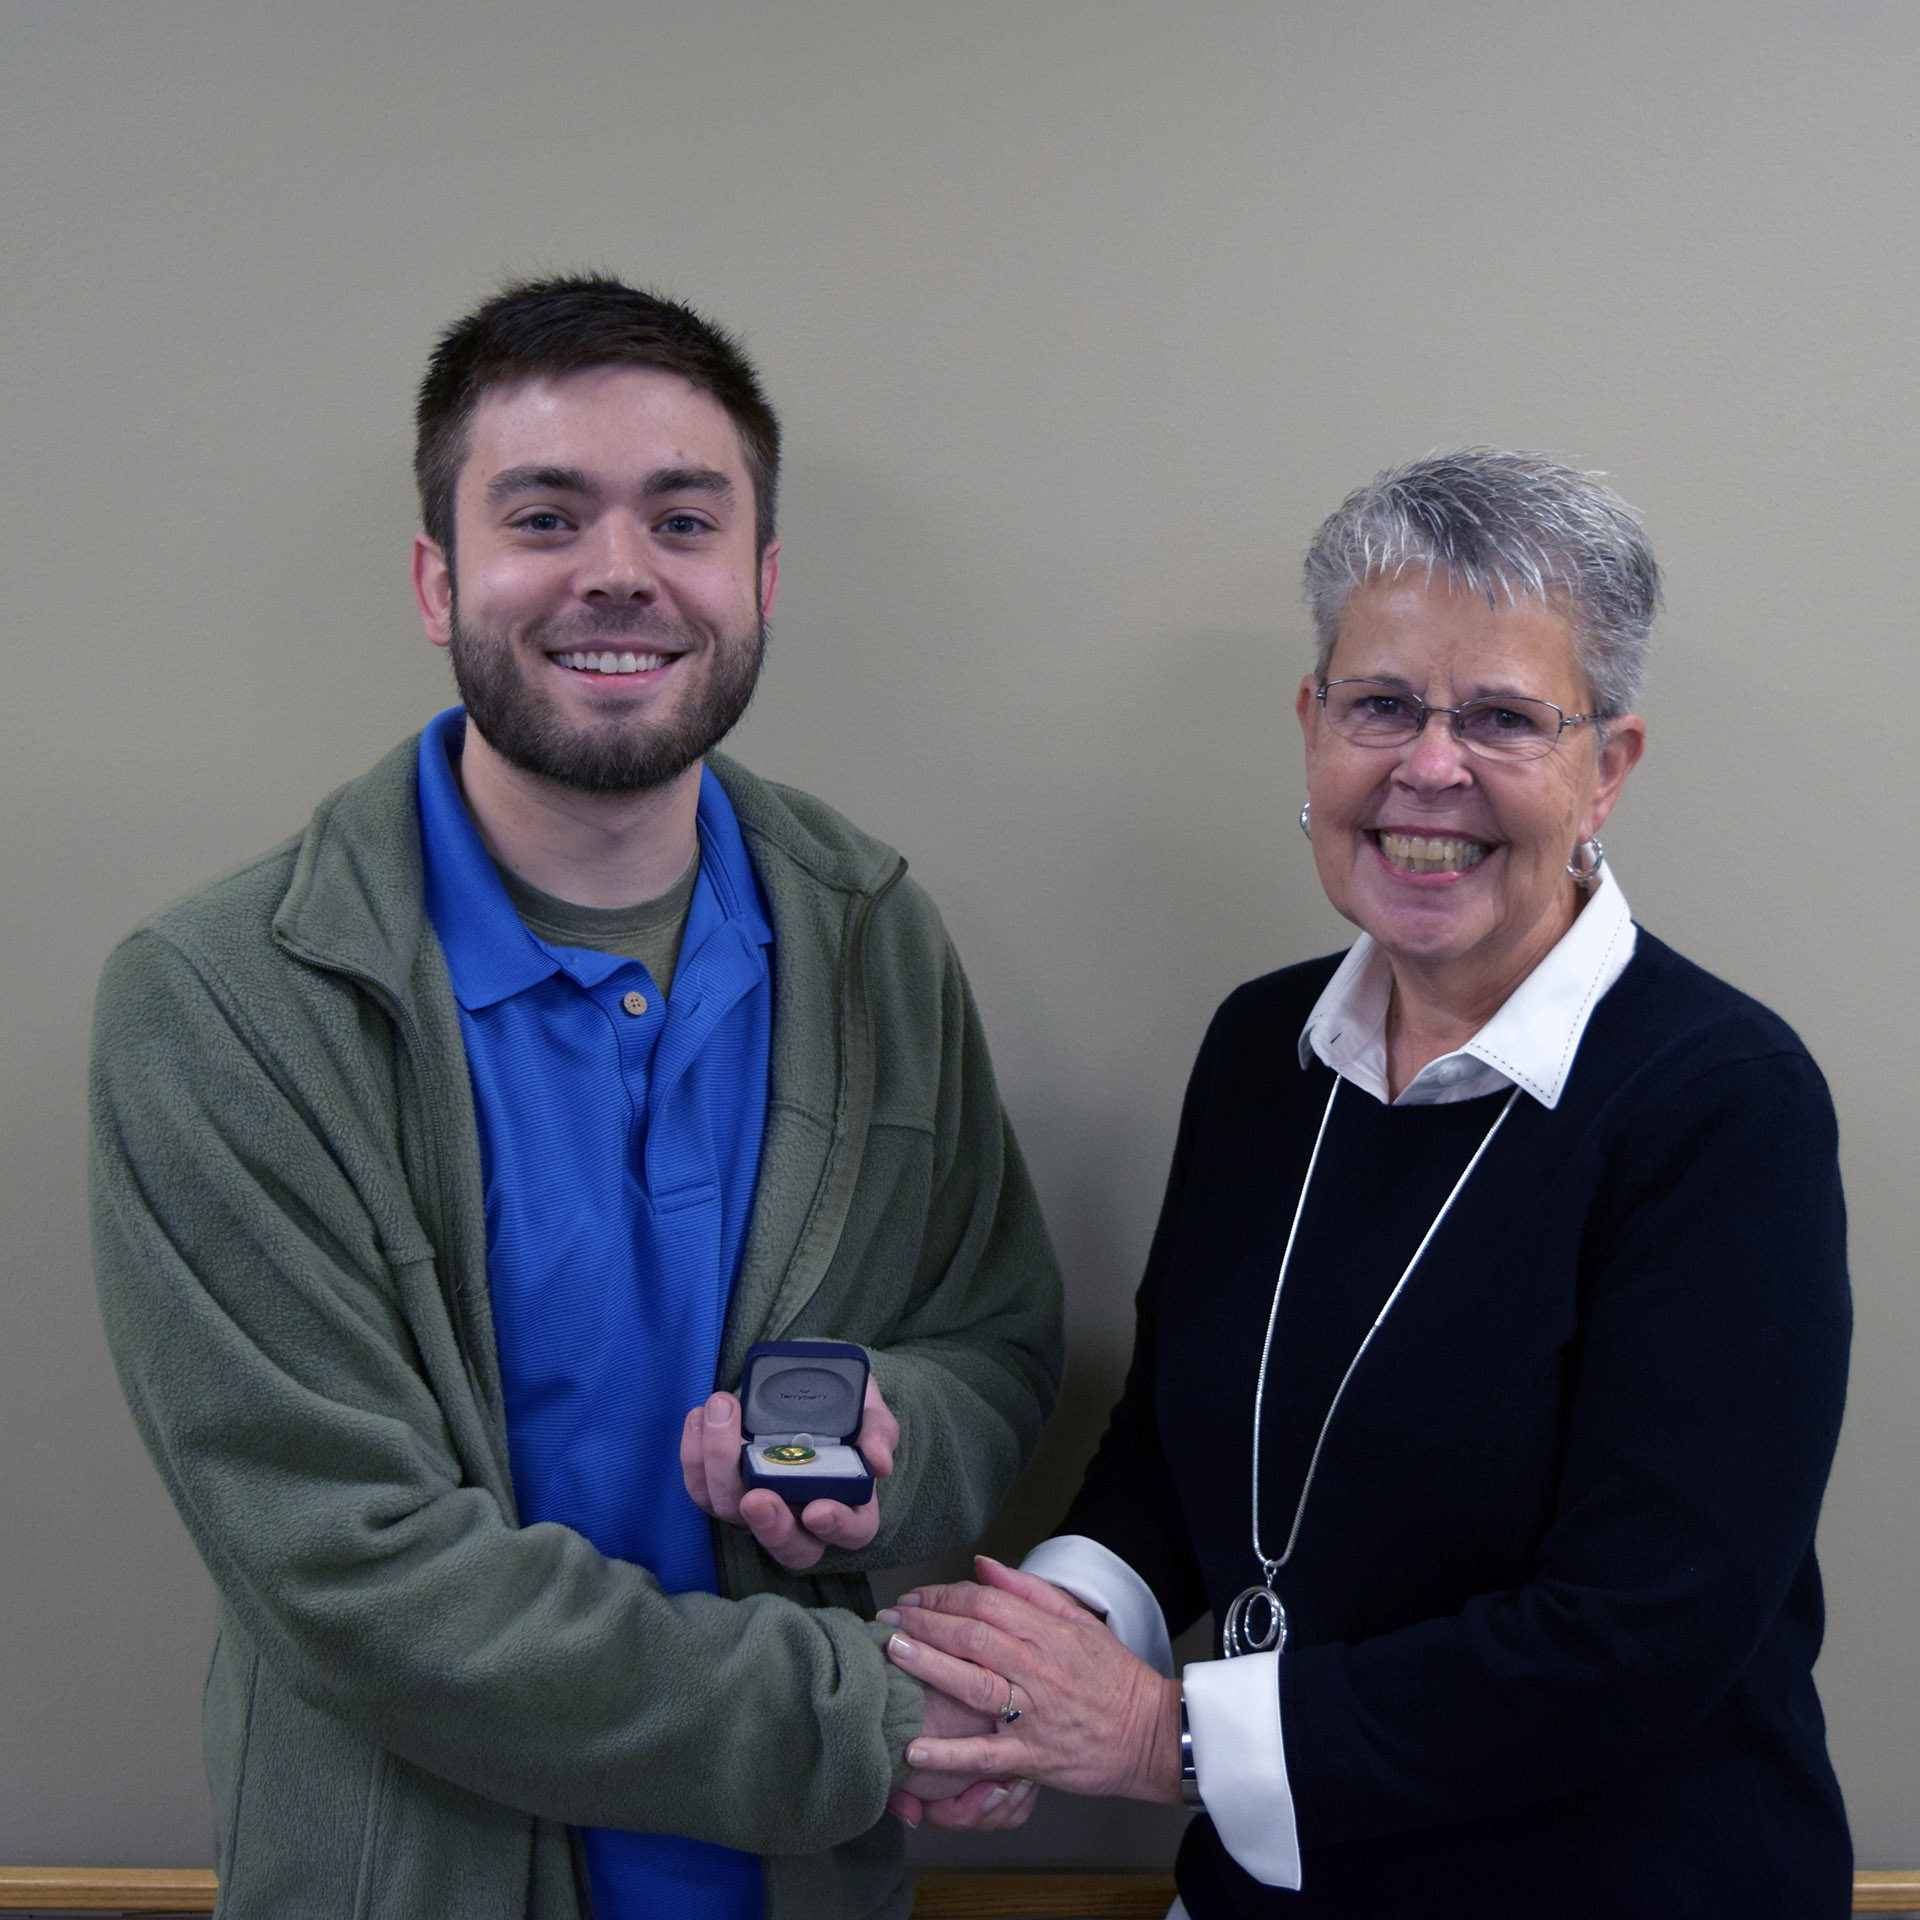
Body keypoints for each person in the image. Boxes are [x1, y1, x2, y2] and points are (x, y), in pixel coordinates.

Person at [88, 274, 1062, 1920]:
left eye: (684, 519)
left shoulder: (868, 932)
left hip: (805, 1888)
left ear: (757, 582)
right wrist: (860, 1716)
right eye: (545, 514)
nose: (620, 569)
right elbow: (353, 1573)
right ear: (435, 577)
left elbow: (997, 1339)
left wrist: (900, 1446)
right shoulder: (222, 1005)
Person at [880, 449, 1853, 1918]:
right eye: (1382, 704)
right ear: (1312, 726)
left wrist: (1159, 1731)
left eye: (1506, 719)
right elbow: (1177, 1445)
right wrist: (1026, 1665)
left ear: (1610, 769)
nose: (1429, 768)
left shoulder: (1724, 1104)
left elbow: (1639, 1638)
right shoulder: (1260, 1049)